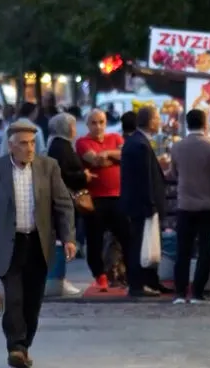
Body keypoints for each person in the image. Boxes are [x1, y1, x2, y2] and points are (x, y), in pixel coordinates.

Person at [0, 119, 75, 368]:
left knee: (33, 301)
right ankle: (16, 346)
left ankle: (25, 344)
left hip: (38, 243)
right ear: (11, 146)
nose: (29, 148)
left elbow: (63, 204)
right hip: (7, 244)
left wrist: (68, 238)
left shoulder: (48, 167)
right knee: (14, 299)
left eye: (32, 143)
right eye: (23, 144)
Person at [169, 109, 210, 304]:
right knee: (204, 250)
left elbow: (174, 175)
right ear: (205, 124)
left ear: (187, 124)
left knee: (182, 251)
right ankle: (197, 294)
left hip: (184, 205)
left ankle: (179, 293)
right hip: (208, 207)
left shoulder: (177, 148)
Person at [75, 109, 129, 292]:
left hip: (117, 196)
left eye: (101, 122)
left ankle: (128, 274)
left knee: (126, 236)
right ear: (88, 124)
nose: (98, 126)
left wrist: (107, 154)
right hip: (95, 199)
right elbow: (95, 161)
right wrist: (111, 158)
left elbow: (125, 155)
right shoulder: (82, 142)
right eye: (93, 123)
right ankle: (100, 275)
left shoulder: (115, 137)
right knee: (95, 240)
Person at [120, 105, 171, 297]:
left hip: (141, 204)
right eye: (157, 118)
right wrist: (151, 204)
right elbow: (143, 179)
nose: (160, 122)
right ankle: (138, 285)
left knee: (148, 245)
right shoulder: (139, 144)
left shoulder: (139, 142)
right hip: (141, 206)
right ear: (150, 121)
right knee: (139, 246)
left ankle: (151, 281)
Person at [46, 113, 90, 296]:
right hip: (65, 198)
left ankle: (59, 277)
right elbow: (63, 173)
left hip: (64, 197)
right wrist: (83, 176)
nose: (75, 129)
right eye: (72, 126)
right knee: (65, 237)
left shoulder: (59, 145)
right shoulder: (61, 147)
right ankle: (58, 278)